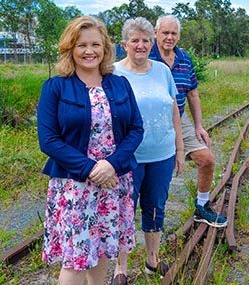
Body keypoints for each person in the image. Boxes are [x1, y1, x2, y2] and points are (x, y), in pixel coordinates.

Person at [37, 16, 143, 285]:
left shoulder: (120, 84)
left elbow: (135, 130)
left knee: (105, 249)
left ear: (105, 47)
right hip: (75, 186)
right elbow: (48, 140)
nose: (89, 51)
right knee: (75, 259)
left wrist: (112, 165)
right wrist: (93, 169)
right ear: (70, 48)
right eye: (81, 45)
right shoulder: (56, 86)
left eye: (96, 44)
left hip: (113, 182)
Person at [112, 17, 184, 284]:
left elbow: (174, 109)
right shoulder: (113, 73)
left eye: (145, 41)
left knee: (155, 208)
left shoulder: (163, 71)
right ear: (124, 44)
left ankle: (152, 261)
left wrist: (179, 148)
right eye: (135, 41)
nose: (140, 45)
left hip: (162, 154)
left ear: (151, 43)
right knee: (124, 210)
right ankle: (121, 267)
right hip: (127, 158)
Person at [149, 15, 227, 228]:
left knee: (207, 159)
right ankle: (154, 225)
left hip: (179, 116)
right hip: (151, 121)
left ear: (179, 36)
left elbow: (192, 94)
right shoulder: (147, 56)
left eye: (174, 33)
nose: (169, 37)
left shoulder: (184, 58)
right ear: (155, 33)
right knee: (158, 174)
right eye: (165, 32)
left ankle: (202, 207)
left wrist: (198, 125)